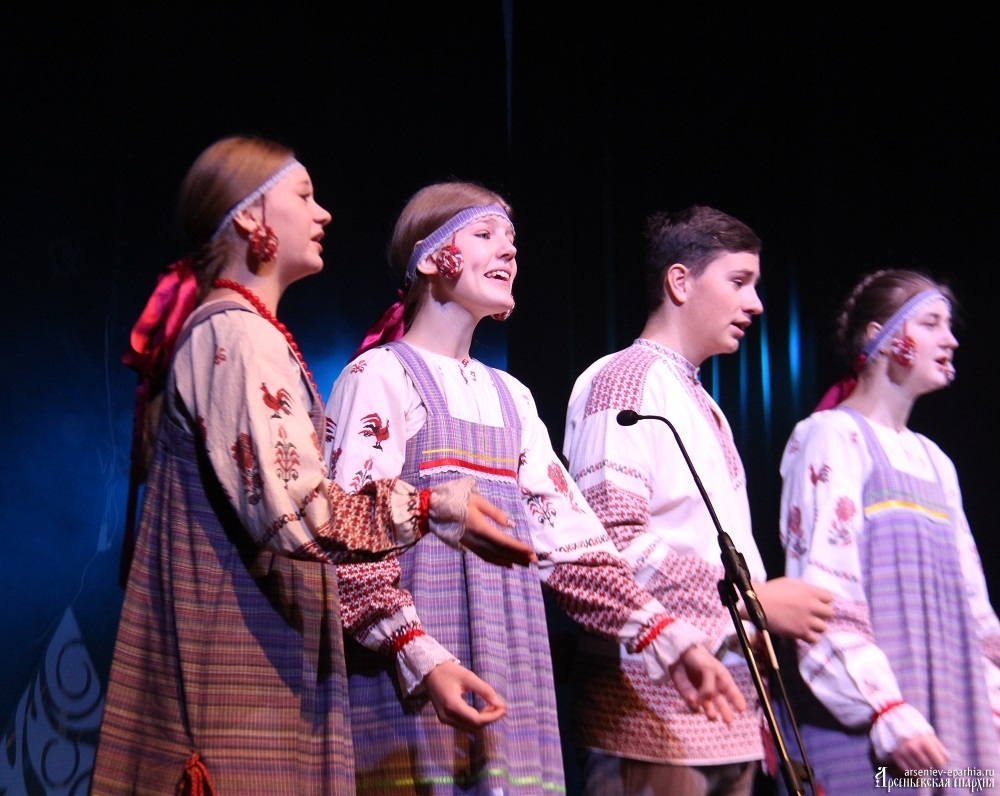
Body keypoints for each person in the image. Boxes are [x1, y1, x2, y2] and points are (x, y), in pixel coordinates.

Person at [92, 138, 535, 796]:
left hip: (266, 680)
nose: (322, 213)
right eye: (303, 196)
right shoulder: (238, 335)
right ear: (251, 217)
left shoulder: (246, 331)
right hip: (231, 694)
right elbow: (301, 513)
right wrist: (434, 506)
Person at [325, 183, 747, 795]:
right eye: (485, 234)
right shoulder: (379, 375)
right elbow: (350, 542)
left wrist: (664, 634)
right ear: (430, 257)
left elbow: (570, 545)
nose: (508, 251)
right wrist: (420, 655)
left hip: (510, 665)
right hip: (417, 676)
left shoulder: (512, 397)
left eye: (512, 241)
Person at [563, 205, 834, 796]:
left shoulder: (702, 401)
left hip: (725, 713)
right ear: (680, 282)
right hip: (651, 717)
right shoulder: (625, 379)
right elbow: (610, 546)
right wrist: (752, 603)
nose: (755, 303)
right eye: (739, 281)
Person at [776, 269, 1000, 793]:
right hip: (871, 733)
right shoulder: (833, 436)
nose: (951, 339)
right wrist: (885, 708)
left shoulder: (935, 461)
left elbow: (974, 607)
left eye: (948, 325)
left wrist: (991, 699)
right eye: (931, 323)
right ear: (881, 336)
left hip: (950, 725)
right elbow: (825, 597)